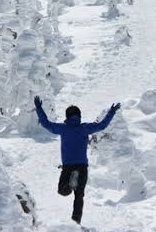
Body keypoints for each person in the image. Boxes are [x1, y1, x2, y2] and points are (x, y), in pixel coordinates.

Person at [34, 96, 120, 225]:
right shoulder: (85, 128)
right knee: (79, 196)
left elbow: (46, 124)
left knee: (62, 190)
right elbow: (102, 125)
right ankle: (76, 223)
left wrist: (39, 108)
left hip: (68, 166)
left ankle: (69, 185)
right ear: (79, 116)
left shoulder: (63, 128)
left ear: (67, 116)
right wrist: (112, 111)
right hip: (82, 166)